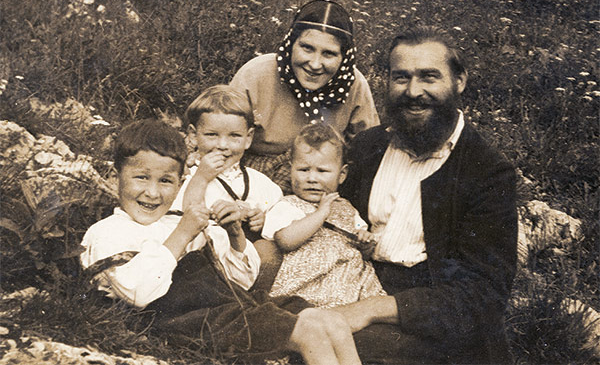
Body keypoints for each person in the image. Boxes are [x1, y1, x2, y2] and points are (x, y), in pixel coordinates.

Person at [80, 118, 362, 365]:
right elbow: (139, 293)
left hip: (228, 307)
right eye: (141, 178)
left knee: (330, 320)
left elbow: (242, 279)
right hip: (181, 321)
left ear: (180, 184)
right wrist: (183, 234)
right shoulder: (108, 232)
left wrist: (235, 235)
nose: (152, 193)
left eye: (165, 181)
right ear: (114, 177)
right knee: (309, 330)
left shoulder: (177, 220)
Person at [336, 26, 518, 364]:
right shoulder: (368, 147)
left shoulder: (487, 171)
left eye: (429, 77)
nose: (413, 91)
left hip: (431, 320)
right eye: (401, 77)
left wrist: (372, 309)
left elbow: (484, 295)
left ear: (459, 81)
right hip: (349, 287)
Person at [230, 0, 379, 194]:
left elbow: (367, 153)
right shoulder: (255, 74)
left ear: (344, 57)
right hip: (250, 176)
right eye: (307, 48)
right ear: (292, 44)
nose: (315, 64)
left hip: (317, 184)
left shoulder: (354, 85)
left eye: (329, 54)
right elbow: (221, 136)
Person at [262, 123, 386, 308]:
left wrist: (365, 243)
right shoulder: (287, 205)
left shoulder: (347, 208)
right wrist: (320, 214)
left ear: (342, 175)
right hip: (310, 282)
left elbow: (361, 247)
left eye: (322, 171)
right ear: (290, 170)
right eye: (303, 170)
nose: (312, 178)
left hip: (351, 280)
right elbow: (285, 240)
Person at [171, 84, 283, 289]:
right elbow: (185, 212)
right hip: (202, 265)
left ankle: (254, 301)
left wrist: (263, 220)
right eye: (212, 135)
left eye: (234, 136)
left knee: (268, 250)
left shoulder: (258, 181)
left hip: (243, 265)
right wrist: (202, 177)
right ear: (194, 135)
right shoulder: (187, 176)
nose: (223, 145)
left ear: (248, 138)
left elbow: (279, 210)